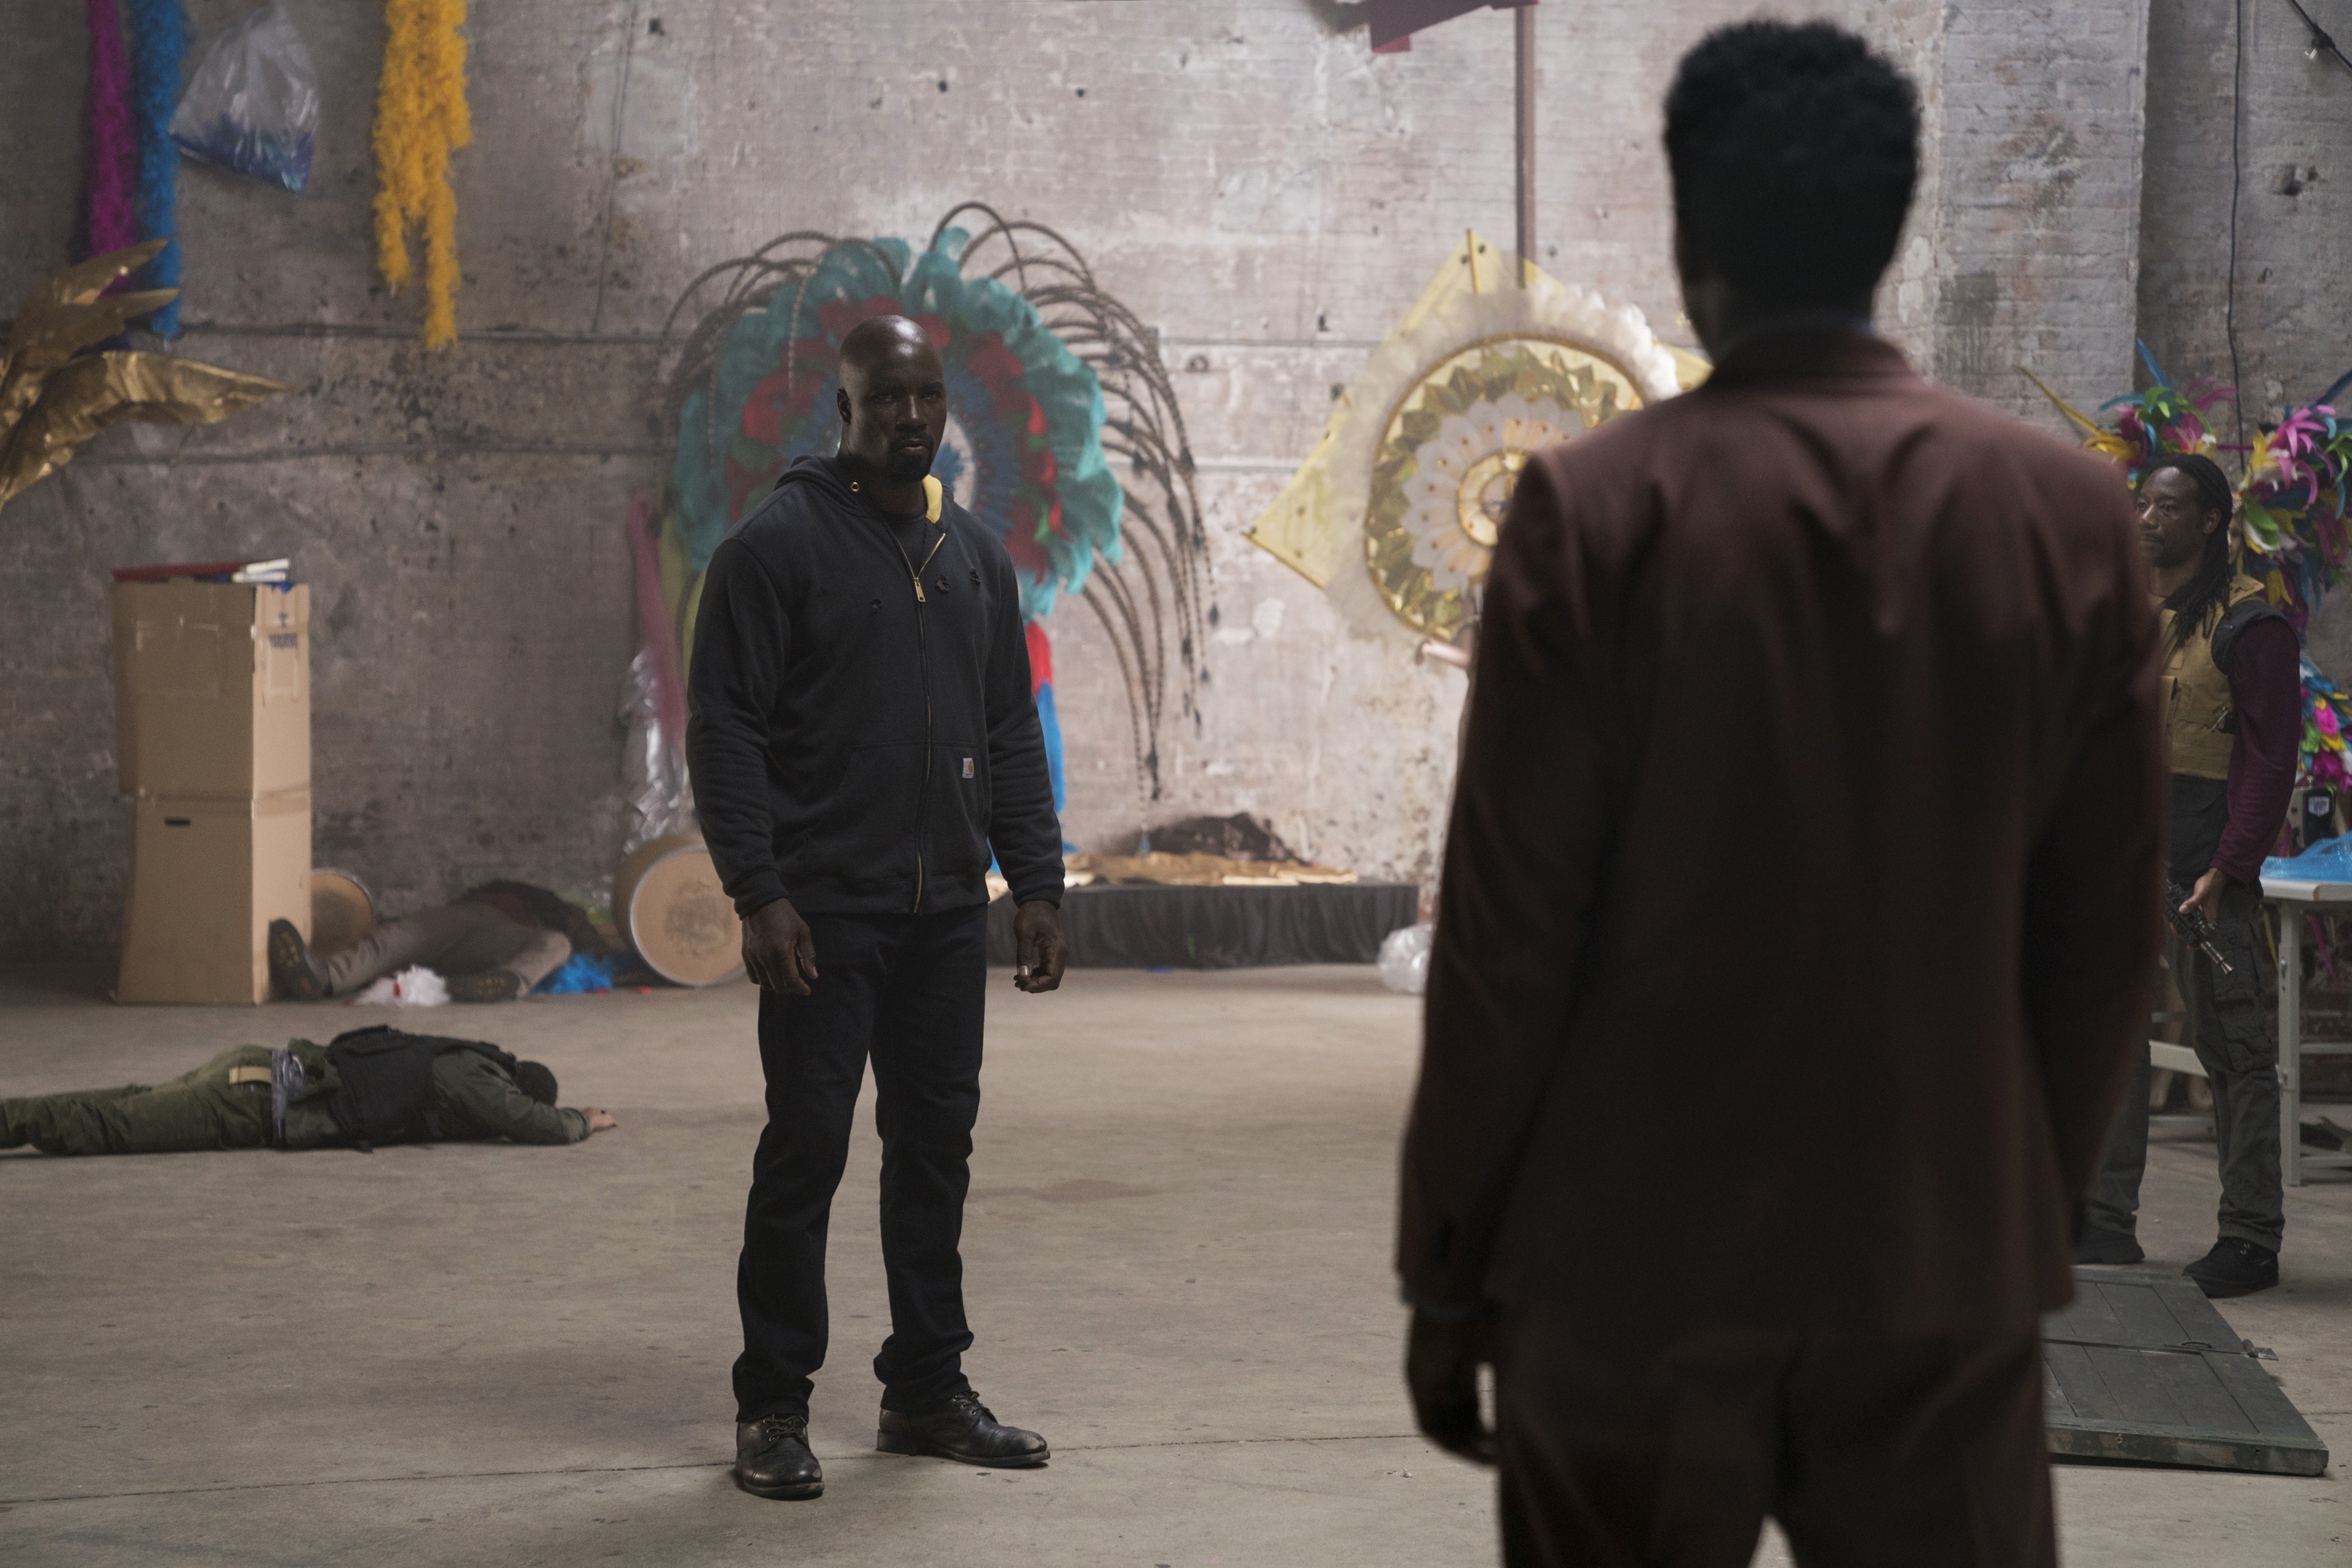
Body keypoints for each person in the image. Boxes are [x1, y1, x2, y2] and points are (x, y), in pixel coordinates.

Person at [1396, 22, 2161, 1568]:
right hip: (1934, 1263)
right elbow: (2098, 950)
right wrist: (2013, 1210)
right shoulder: (2071, 523)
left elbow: (1504, 943)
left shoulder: (1592, 514)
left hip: (1625, 1262)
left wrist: (1449, 1258)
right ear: (1889, 227)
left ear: (1691, 239)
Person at [688, 313, 1069, 1502]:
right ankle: (771, 1405)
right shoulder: (774, 550)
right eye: (886, 396)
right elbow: (724, 732)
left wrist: (1036, 880)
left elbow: (1008, 727)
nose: (911, 416)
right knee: (805, 1149)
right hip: (824, 916)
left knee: (934, 1153)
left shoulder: (974, 560)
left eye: (926, 397)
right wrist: (759, 892)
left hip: (945, 913)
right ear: (842, 407)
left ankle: (925, 1390)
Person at [2082, 453, 2299, 1296]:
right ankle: (2105, 1222)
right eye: (2143, 503)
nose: (2146, 519)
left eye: (2168, 507)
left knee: (2235, 1054)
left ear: (2210, 521)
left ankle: (2250, 1239)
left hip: (2205, 880)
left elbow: (2269, 763)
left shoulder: (2250, 626)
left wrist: (2229, 867)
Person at [3, 1028, 618, 1154]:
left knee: (121, 1106)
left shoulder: (453, 1054)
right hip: (254, 1099)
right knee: (111, 1126)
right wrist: (582, 1119)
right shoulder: (474, 1080)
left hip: (254, 1071)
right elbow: (531, 1123)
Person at [267, 890, 574, 1004]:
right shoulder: (513, 895)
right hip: (467, 923)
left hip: (494, 946)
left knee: (559, 943)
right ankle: (322, 978)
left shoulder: (545, 925)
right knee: (392, 944)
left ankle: (506, 983)